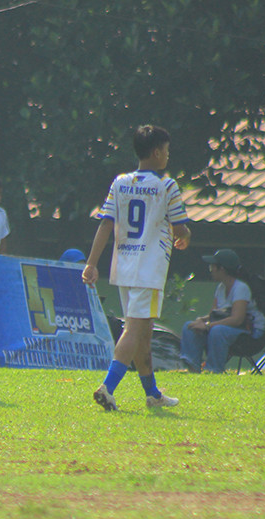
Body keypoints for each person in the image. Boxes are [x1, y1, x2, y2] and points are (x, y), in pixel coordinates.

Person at [82, 125, 191, 411]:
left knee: (143, 333)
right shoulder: (167, 186)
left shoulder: (120, 183)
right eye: (166, 151)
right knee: (134, 329)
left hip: (125, 266)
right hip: (150, 268)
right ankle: (108, 386)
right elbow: (179, 228)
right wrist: (186, 236)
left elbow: (106, 223)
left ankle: (152, 394)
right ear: (157, 152)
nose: (168, 156)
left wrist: (92, 263)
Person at [179, 249, 265, 373]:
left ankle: (213, 370)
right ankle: (193, 368)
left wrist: (208, 326)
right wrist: (202, 321)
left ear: (222, 269)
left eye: (212, 267)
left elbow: (237, 319)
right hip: (226, 326)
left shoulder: (241, 288)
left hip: (249, 331)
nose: (211, 270)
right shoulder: (220, 288)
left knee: (217, 331)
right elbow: (214, 314)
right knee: (189, 326)